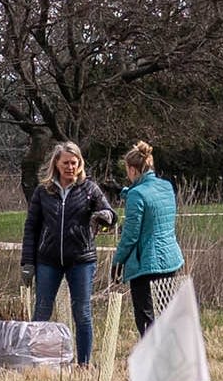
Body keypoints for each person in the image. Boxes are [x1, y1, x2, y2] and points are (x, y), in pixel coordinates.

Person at [23, 142, 116, 364]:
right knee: (42, 312)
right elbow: (31, 228)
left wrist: (104, 216)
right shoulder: (43, 191)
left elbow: (110, 214)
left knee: (82, 314)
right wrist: (27, 262)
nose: (70, 167)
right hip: (48, 260)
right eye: (66, 163)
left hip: (81, 259)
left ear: (80, 164)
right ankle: (36, 362)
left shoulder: (89, 189)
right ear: (56, 163)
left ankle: (84, 364)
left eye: (74, 163)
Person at [111, 141, 185, 338]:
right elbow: (150, 197)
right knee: (166, 313)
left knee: (146, 317)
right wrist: (123, 191)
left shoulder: (137, 194)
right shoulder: (166, 186)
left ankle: (153, 357)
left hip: (147, 264)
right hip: (170, 259)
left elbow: (130, 235)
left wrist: (117, 260)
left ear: (133, 169)